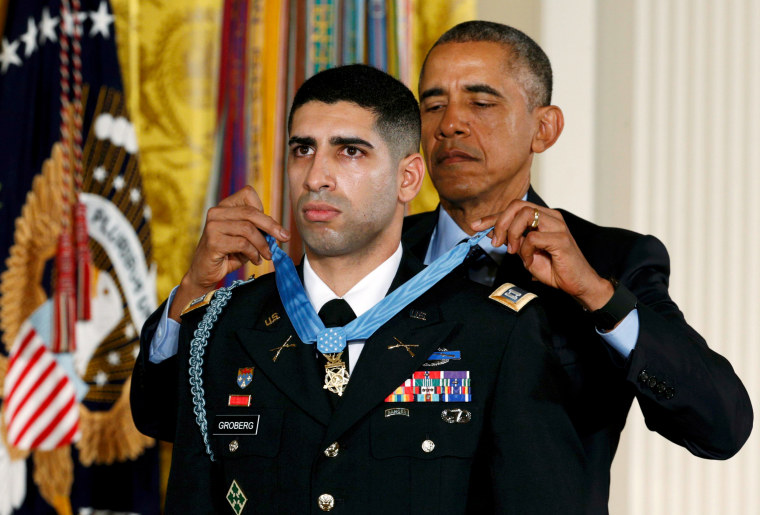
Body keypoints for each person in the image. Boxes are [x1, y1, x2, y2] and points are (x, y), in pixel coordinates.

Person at [137, 22, 753, 513]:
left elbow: (720, 424)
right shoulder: (363, 249)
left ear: (545, 128)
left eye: (481, 102)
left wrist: (596, 295)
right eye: (433, 105)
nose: (450, 124)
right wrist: (192, 293)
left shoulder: (610, 260)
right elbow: (197, 418)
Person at [131, 64, 589, 513]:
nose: (315, 177)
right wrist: (193, 285)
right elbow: (178, 465)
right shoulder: (222, 325)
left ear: (407, 178)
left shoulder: (492, 330)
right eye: (302, 150)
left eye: (349, 151)